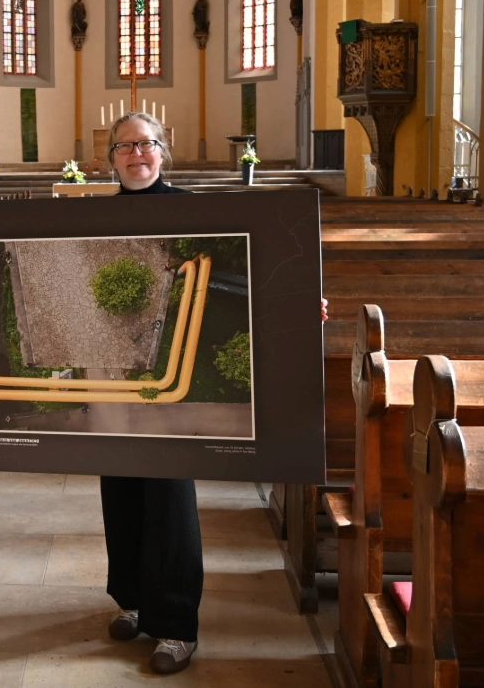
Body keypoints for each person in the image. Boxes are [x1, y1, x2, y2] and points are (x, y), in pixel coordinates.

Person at [99, 111, 327, 675]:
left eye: (146, 144)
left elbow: (245, 269)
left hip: (180, 366)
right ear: (111, 158)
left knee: (169, 495)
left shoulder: (197, 210)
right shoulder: (92, 216)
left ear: (163, 152)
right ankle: (130, 600)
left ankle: (176, 625)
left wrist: (297, 301)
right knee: (119, 486)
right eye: (125, 146)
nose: (137, 155)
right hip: (111, 368)